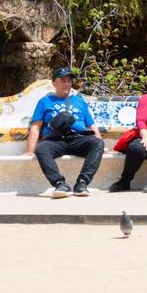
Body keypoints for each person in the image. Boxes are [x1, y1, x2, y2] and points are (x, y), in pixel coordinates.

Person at [25, 67, 103, 197]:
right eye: (63, 80)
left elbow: (91, 125)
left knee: (97, 144)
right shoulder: (45, 102)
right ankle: (60, 184)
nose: (67, 83)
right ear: (54, 83)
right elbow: (35, 127)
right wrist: (30, 151)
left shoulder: (79, 101)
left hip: (78, 139)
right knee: (42, 149)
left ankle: (82, 183)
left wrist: (100, 141)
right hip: (56, 140)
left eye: (69, 80)